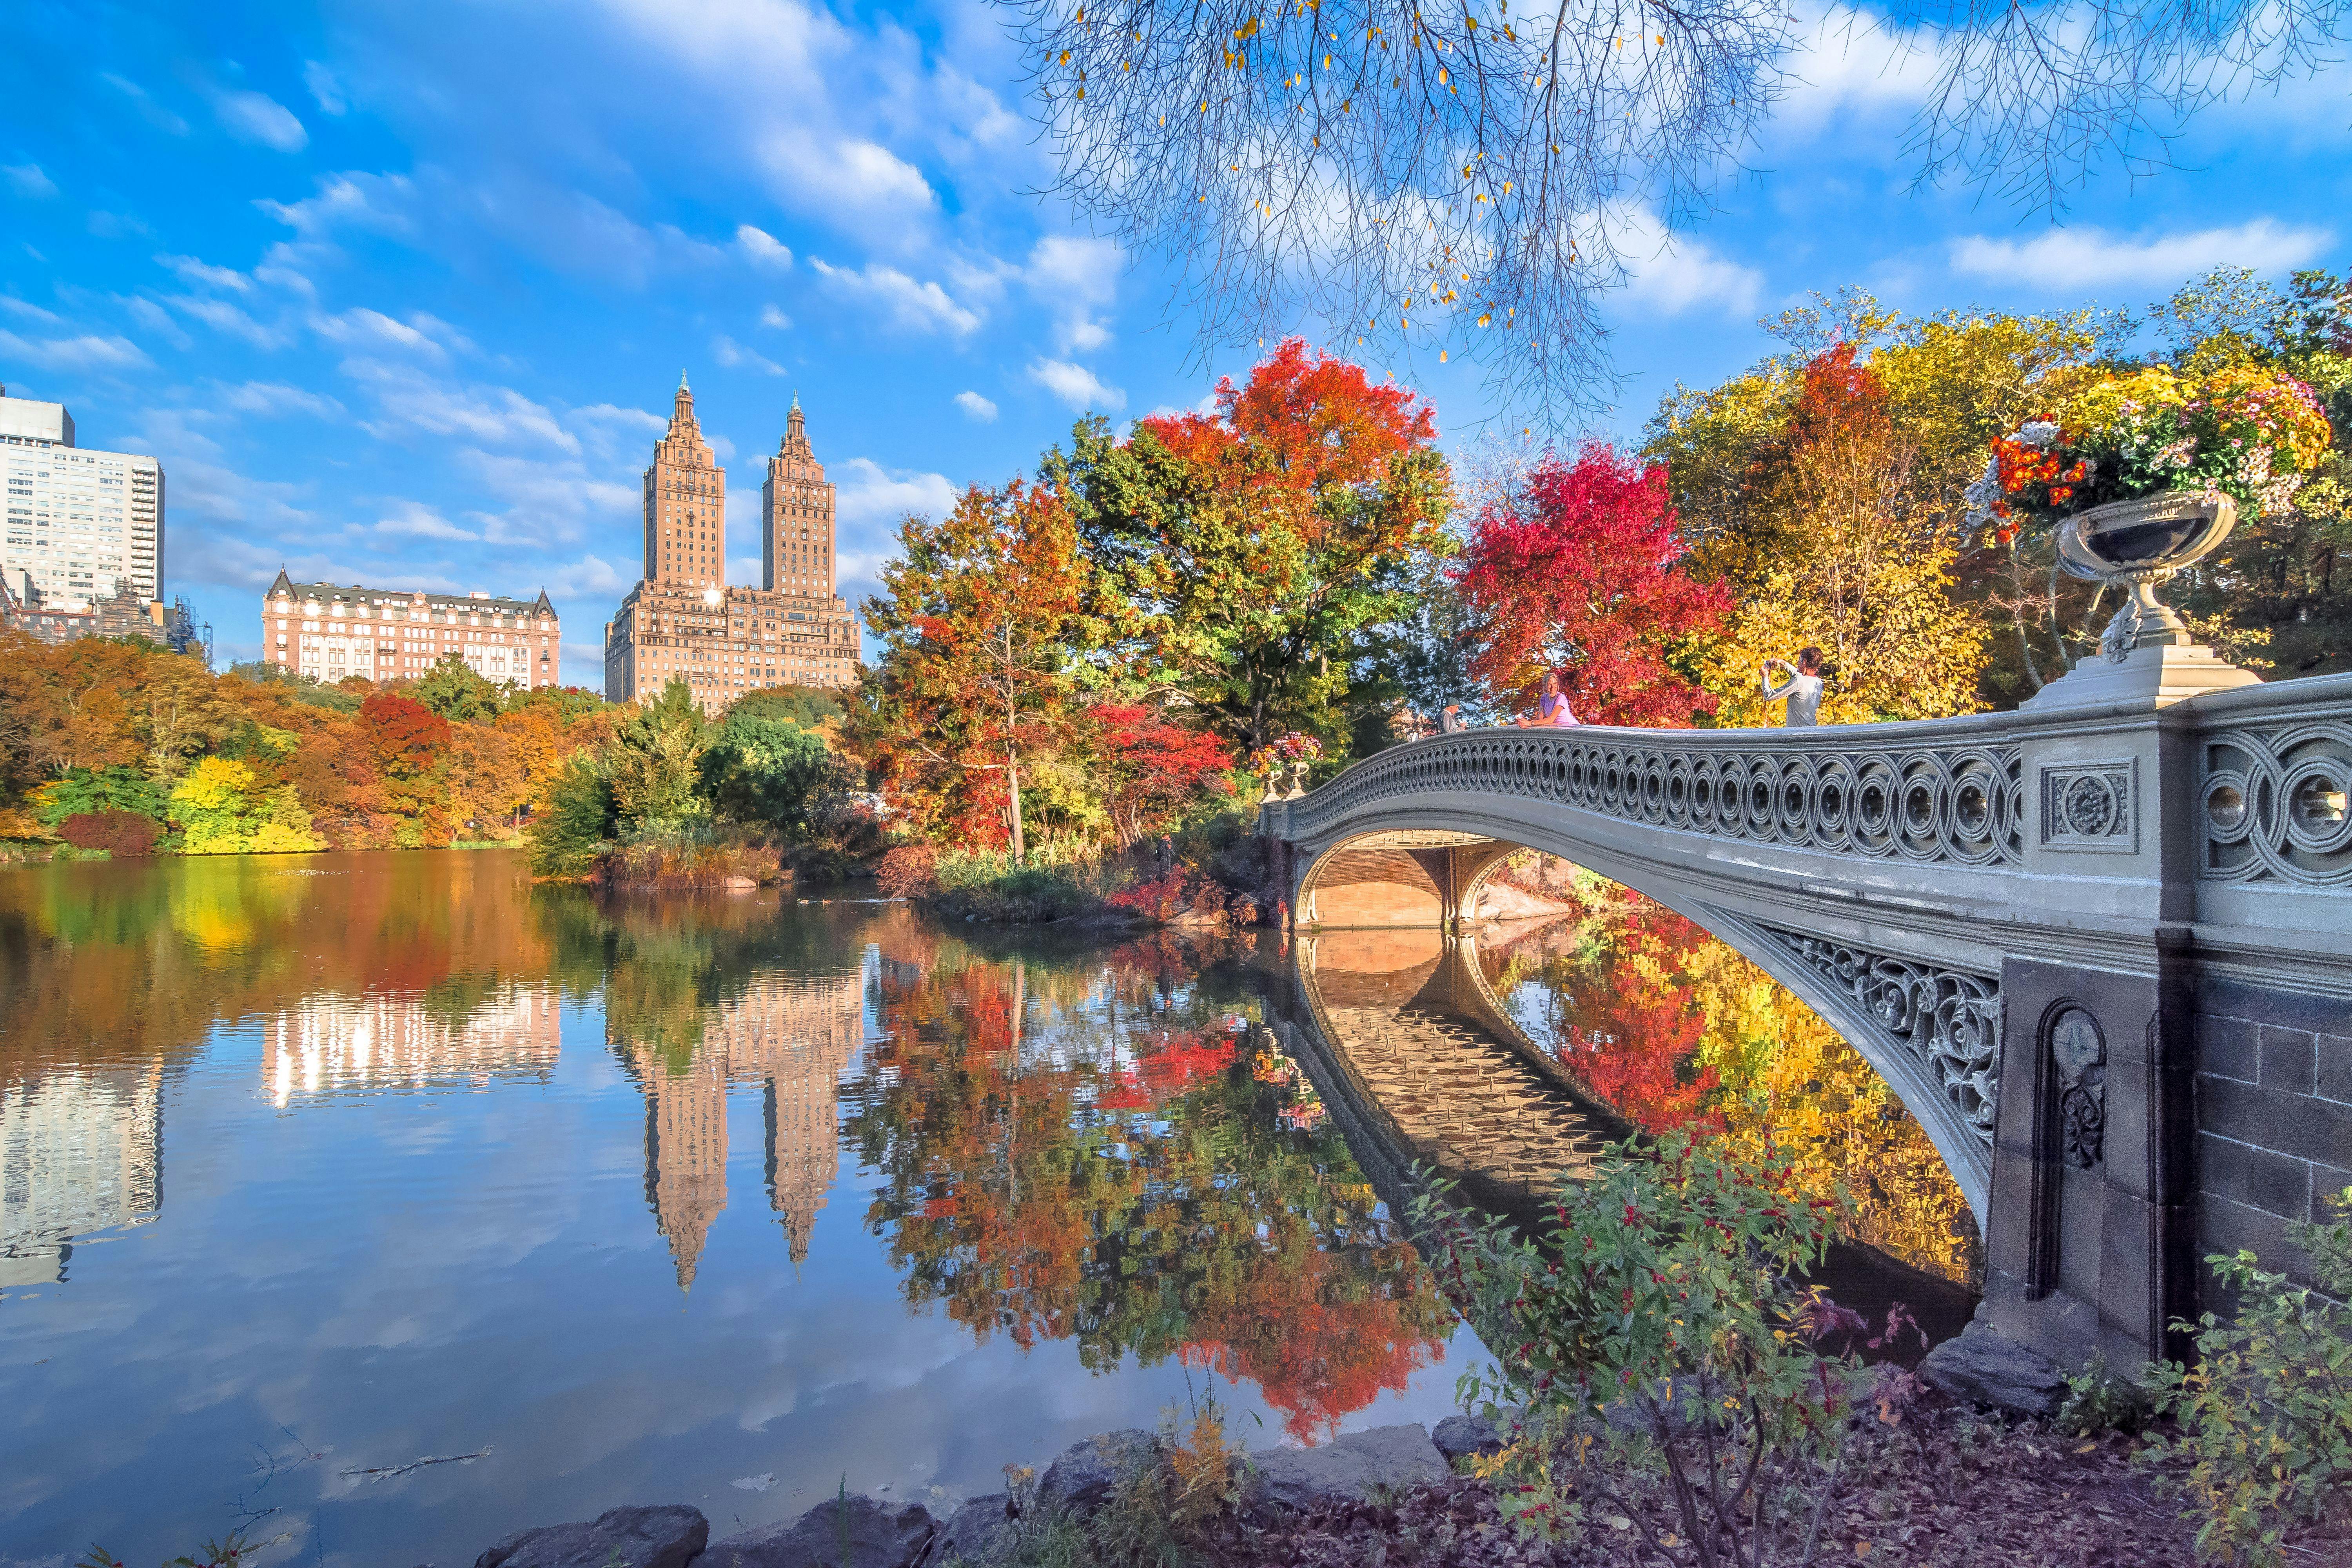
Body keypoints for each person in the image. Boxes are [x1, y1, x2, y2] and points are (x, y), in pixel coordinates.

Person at [1761, 646, 1825, 727]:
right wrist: (1783, 663)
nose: (1798, 663)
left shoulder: (1799, 681)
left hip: (1797, 734)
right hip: (1811, 729)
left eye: (1799, 660)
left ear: (1805, 662)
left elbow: (1769, 696)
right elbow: (1801, 676)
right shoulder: (1818, 682)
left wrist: (1765, 677)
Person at [1514, 670, 1581, 728]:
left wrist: (1529, 723)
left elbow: (1551, 720)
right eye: (1550, 684)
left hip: (1571, 728)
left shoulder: (1561, 697)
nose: (1553, 687)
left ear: (1558, 685)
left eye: (1555, 684)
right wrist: (1524, 722)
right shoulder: (1544, 698)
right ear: (1545, 686)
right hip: (1559, 729)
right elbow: (1540, 718)